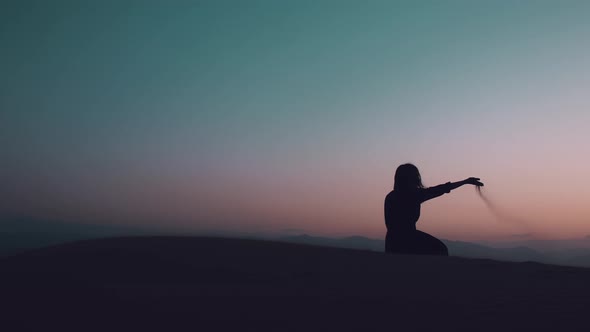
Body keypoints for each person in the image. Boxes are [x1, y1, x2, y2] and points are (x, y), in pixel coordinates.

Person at [384, 163, 483, 256]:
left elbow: (440, 189)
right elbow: (440, 189)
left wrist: (465, 181)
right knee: (440, 249)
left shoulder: (391, 196)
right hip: (405, 240)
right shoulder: (413, 195)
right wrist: (465, 181)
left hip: (392, 242)